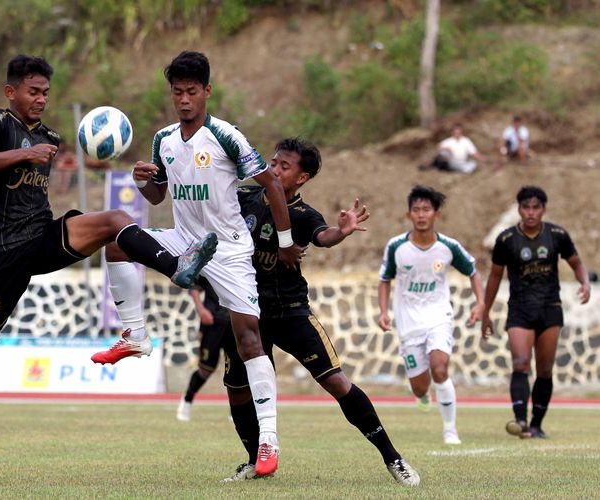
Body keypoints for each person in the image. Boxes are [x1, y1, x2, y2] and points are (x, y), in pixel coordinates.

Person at [0, 54, 218, 470]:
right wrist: (22, 156)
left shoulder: (50, 136)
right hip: (4, 255)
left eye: (46, 92)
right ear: (11, 92)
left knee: (116, 221)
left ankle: (178, 268)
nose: (41, 99)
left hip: (44, 237)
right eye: (33, 91)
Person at [91, 51, 302, 477]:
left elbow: (273, 184)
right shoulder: (163, 139)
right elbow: (158, 197)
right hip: (183, 239)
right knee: (114, 242)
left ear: (207, 91)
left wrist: (284, 243)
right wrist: (144, 181)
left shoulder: (227, 137)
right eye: (177, 93)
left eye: (191, 92)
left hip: (226, 248)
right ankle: (134, 335)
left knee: (248, 341)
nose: (183, 100)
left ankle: (268, 443)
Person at [222, 137, 419, 486]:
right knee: (237, 388)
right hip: (246, 311)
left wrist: (341, 232)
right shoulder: (246, 196)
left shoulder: (302, 214)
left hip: (290, 312)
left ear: (303, 177)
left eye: (285, 166)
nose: (274, 169)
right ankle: (254, 461)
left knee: (336, 382)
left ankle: (393, 458)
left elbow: (322, 236)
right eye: (273, 162)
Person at [377, 185, 484, 446]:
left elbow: (473, 271)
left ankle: (450, 429)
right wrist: (383, 311)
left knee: (439, 368)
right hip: (409, 324)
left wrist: (480, 303)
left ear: (437, 214)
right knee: (420, 387)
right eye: (417, 210)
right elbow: (384, 279)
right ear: (408, 215)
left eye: (427, 209)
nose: (421, 214)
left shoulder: (448, 247)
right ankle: (423, 396)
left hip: (439, 318)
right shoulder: (397, 247)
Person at [481, 186, 590, 439]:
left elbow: (576, 263)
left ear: (543, 209)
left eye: (536, 207)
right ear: (518, 209)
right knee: (520, 363)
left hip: (550, 309)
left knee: (544, 370)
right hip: (519, 309)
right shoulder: (506, 239)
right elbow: (495, 276)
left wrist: (584, 282)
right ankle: (520, 422)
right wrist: (485, 311)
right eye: (526, 207)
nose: (530, 213)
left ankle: (537, 424)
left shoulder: (557, 235)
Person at [176, 276, 233, 422]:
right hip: (212, 323)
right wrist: (201, 310)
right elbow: (195, 289)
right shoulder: (211, 261)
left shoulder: (243, 260)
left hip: (235, 323)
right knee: (206, 368)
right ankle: (187, 400)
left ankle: (236, 410)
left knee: (237, 368)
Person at [420, 124, 486, 174]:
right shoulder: (449, 141)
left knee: (473, 165)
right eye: (456, 133)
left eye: (459, 133)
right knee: (444, 153)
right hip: (450, 162)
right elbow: (439, 146)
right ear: (453, 133)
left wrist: (482, 159)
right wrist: (446, 148)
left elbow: (474, 152)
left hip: (461, 163)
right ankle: (434, 166)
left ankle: (455, 170)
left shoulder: (466, 141)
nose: (457, 134)